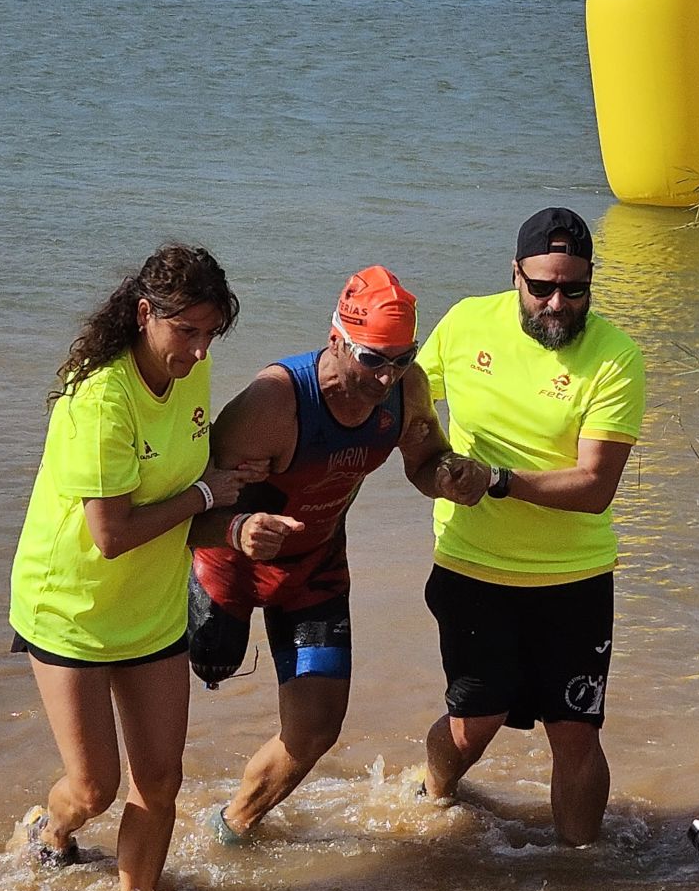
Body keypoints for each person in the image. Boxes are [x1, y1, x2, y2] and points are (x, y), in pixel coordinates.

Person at [187, 266, 489, 841]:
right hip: (231, 565)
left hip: (315, 571)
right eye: (373, 359)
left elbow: (426, 462)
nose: (386, 376)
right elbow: (187, 506)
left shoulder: (406, 389)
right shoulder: (274, 402)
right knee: (207, 669)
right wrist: (238, 528)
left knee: (317, 727)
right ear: (337, 339)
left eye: (402, 358)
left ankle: (230, 827)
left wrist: (450, 475)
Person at [8, 244, 258, 891]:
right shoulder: (100, 398)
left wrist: (232, 507)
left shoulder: (192, 370)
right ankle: (49, 830)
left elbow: (190, 471)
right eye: (187, 331)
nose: (199, 351)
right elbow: (112, 535)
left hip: (153, 608)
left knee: (161, 782)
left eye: (212, 334)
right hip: (72, 607)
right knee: (94, 789)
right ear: (145, 313)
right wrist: (205, 496)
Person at [416, 208, 646, 846]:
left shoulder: (616, 357)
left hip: (574, 579)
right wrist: (428, 461)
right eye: (541, 287)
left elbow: (595, 486)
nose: (557, 304)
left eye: (574, 289)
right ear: (514, 273)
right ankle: (429, 798)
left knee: (575, 732)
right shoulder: (465, 322)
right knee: (475, 724)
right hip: (472, 566)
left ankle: (581, 866)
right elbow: (406, 396)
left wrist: (497, 479)